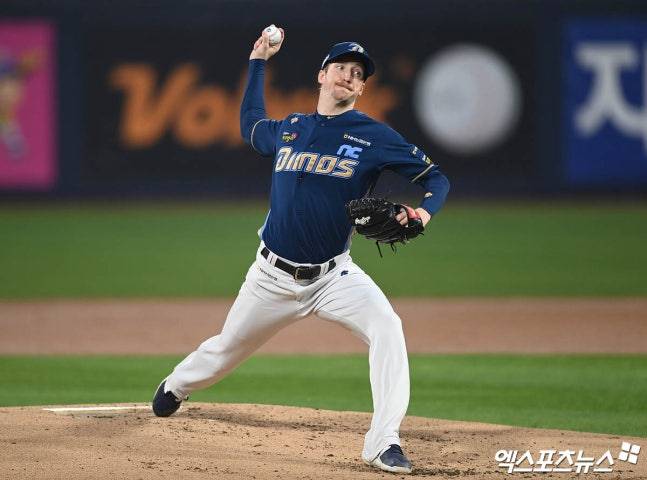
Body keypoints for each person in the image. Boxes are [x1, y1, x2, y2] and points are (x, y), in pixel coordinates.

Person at [152, 27, 450, 475]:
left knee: (388, 326)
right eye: (341, 68)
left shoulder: (374, 135)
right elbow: (251, 125)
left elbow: (436, 179)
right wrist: (257, 62)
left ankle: (383, 441)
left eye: (358, 74)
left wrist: (423, 213)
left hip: (334, 277)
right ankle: (177, 384)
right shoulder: (292, 128)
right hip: (270, 277)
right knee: (227, 348)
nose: (349, 76)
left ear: (362, 88)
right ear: (322, 75)